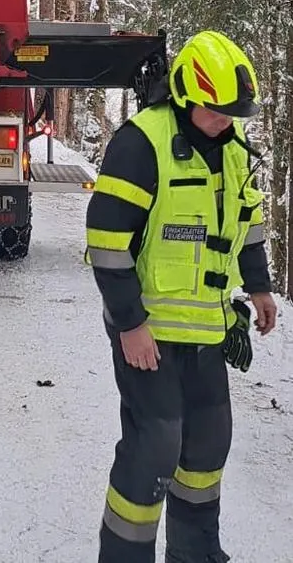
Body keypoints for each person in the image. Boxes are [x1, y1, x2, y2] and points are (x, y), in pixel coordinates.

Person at [86, 30, 277, 563]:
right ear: (188, 97)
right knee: (154, 449)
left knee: (206, 450)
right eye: (218, 111)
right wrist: (129, 323)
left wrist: (257, 285)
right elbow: (105, 242)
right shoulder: (140, 143)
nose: (227, 121)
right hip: (147, 330)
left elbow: (249, 222)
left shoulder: (233, 152)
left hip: (208, 330)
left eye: (234, 112)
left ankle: (196, 554)